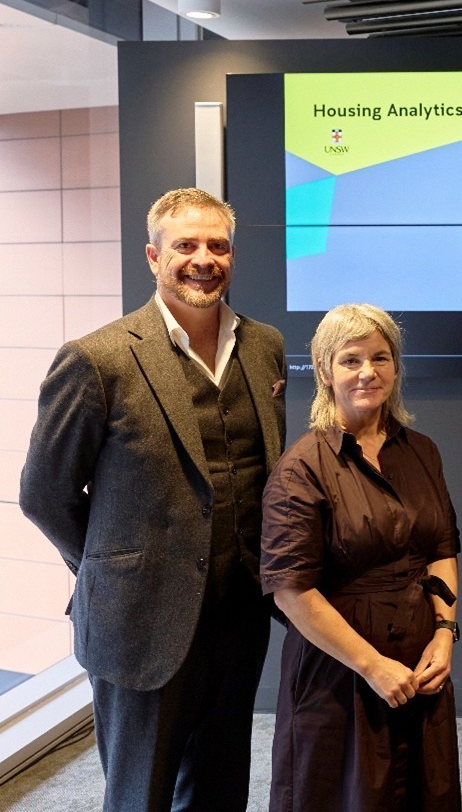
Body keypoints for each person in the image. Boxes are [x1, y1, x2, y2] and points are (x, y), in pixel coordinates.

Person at [18, 187, 286, 811]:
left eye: (217, 245)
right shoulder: (97, 359)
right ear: (152, 255)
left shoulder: (264, 345)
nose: (203, 258)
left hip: (238, 615)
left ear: (232, 255)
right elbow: (43, 494)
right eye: (185, 245)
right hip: (137, 620)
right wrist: (110, 565)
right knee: (140, 795)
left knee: (221, 790)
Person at [259, 303, 461, 810]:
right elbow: (291, 590)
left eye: (380, 357)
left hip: (420, 662)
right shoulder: (300, 468)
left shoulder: (423, 451)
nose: (368, 372)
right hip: (339, 673)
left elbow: (441, 549)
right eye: (351, 360)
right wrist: (372, 666)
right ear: (325, 371)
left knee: (423, 793)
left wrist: (444, 633)